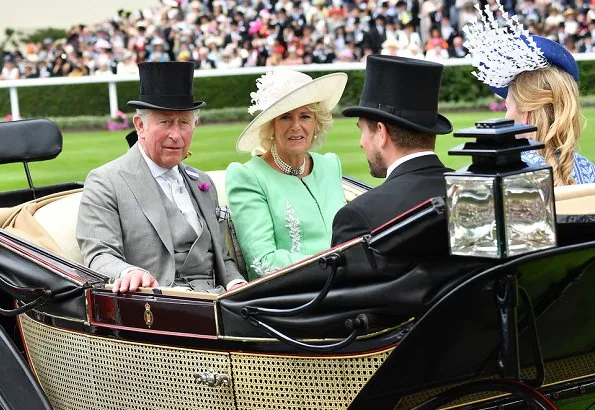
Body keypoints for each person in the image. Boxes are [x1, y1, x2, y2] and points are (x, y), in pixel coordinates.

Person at [77, 62, 246, 294]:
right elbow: (99, 255)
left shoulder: (202, 183)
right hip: (158, 306)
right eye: (165, 122)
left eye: (184, 123)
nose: (176, 135)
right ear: (140, 126)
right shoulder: (105, 182)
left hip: (219, 302)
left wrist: (238, 285)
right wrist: (128, 272)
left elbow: (222, 259)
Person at [226, 69, 348, 280]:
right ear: (271, 126)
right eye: (285, 117)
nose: (296, 126)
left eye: (305, 116)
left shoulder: (330, 165)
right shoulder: (248, 177)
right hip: (294, 297)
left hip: (349, 284)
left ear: (316, 123)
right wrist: (334, 267)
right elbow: (262, 261)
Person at [464, 2, 595, 185]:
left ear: (525, 116)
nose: (506, 115)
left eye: (508, 107)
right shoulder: (589, 171)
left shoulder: (503, 176)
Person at [331, 55, 453, 245]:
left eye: (362, 131)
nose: (361, 143)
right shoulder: (467, 194)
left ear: (381, 132)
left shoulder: (358, 216)